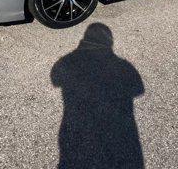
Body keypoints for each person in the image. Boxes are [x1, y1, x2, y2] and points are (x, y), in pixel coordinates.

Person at [51, 23, 145, 168]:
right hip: (117, 127)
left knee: (71, 152)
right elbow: (139, 89)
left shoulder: (67, 60)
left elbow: (55, 79)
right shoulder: (123, 65)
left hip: (74, 122)